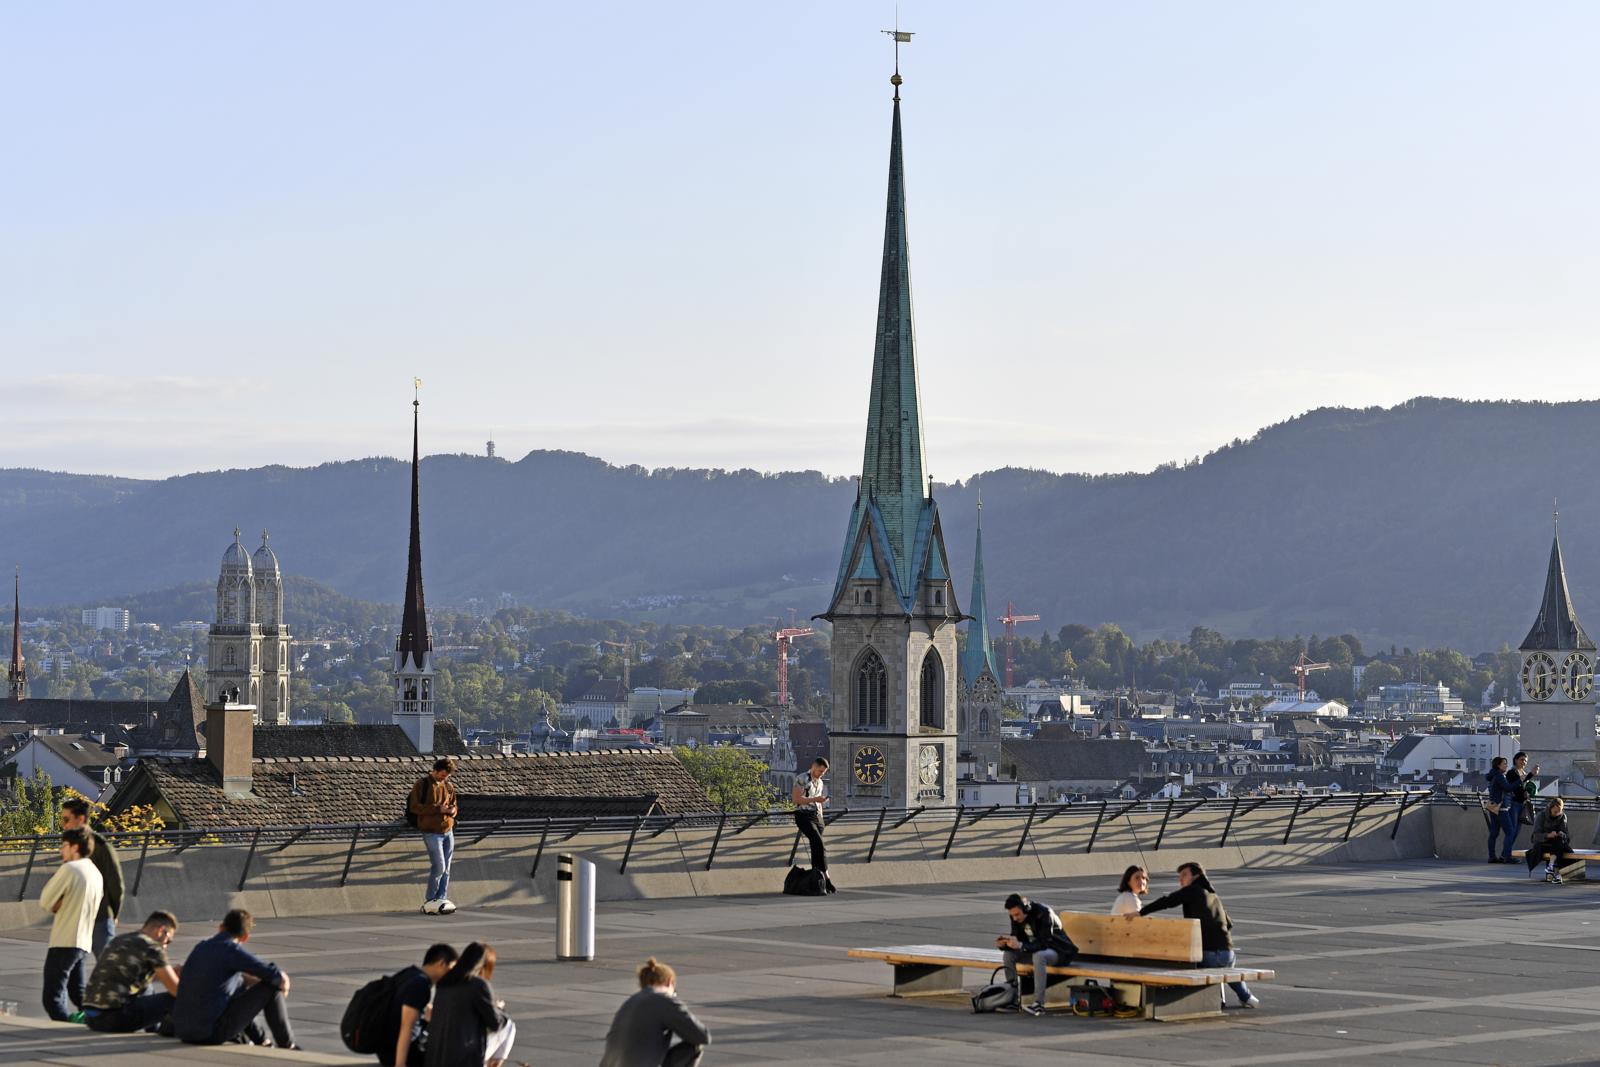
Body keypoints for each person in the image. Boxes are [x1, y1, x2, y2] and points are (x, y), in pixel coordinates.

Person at [173, 908, 299, 1049]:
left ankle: (262, 1040)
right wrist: (284, 983)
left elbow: (230, 978)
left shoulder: (201, 947)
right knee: (272, 989)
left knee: (239, 983)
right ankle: (287, 1045)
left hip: (183, 1030)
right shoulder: (232, 950)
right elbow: (275, 977)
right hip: (210, 1033)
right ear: (244, 937)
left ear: (221, 927)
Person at [1140, 862, 1260, 1009]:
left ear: (1196, 876)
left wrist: (1140, 912)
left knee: (1182, 964)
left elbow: (1168, 901)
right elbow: (1229, 924)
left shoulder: (1193, 890)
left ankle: (1182, 1002)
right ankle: (1247, 997)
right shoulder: (1213, 895)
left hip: (1208, 955)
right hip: (1228, 953)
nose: (1180, 879)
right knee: (1227, 970)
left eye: (1184, 875)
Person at [39, 827, 104, 1022]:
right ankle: (100, 1020)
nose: (61, 850)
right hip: (83, 941)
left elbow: (46, 900)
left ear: (75, 847)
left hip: (64, 940)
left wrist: (60, 904)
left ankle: (66, 1025)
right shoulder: (95, 872)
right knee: (78, 992)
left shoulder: (70, 868)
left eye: (64, 845)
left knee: (52, 997)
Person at [600, 956, 711, 1067]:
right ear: (669, 982)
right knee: (695, 1046)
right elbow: (702, 1036)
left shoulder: (630, 1002)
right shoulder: (664, 1000)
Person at [83, 911, 181, 1034]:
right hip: (115, 1019)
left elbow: (127, 975)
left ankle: (153, 1030)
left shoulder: (119, 940)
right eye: (168, 941)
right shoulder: (153, 947)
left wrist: (167, 974)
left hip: (92, 1019)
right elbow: (176, 990)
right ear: (161, 931)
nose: (165, 946)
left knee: (148, 989)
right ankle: (167, 1032)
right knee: (177, 999)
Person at [424, 942, 515, 1067]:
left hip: (436, 1056)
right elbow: (495, 1023)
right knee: (509, 1026)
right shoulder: (478, 985)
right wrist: (499, 1010)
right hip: (464, 1057)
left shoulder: (444, 983)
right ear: (483, 966)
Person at [61, 797, 124, 956]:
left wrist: (112, 914)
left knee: (107, 969)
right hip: (77, 920)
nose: (63, 824)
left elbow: (116, 885)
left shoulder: (101, 846)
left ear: (81, 819)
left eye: (66, 819)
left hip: (99, 919)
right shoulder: (69, 846)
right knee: (77, 972)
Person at [997, 892, 1077, 1017]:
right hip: (1035, 949)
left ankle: (1039, 1003)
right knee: (1008, 955)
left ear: (1025, 909)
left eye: (1017, 915)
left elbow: (1045, 942)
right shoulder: (1015, 916)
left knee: (1039, 956)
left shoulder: (1044, 913)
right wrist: (1005, 945)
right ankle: (1012, 999)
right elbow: (1017, 937)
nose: (1015, 919)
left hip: (1057, 951)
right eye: (1012, 916)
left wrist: (1022, 946)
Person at [385, 942, 459, 1067]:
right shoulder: (420, 984)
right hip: (400, 1052)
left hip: (388, 1046)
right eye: (451, 969)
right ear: (441, 963)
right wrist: (400, 1064)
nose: (451, 975)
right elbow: (406, 1026)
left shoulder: (409, 973)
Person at [410, 757, 459, 915]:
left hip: (447, 830)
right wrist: (439, 809)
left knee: (447, 869)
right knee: (439, 866)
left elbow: (454, 805)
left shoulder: (449, 786)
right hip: (431, 832)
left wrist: (452, 811)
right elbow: (415, 807)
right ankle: (430, 900)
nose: (443, 778)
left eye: (446, 776)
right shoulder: (422, 785)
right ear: (435, 771)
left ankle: (441, 898)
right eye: (442, 775)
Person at [791, 757, 830, 879]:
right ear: (813, 766)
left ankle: (816, 877)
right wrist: (815, 799)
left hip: (816, 816)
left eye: (823, 772)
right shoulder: (802, 778)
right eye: (819, 771)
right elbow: (796, 799)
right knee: (819, 844)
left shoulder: (820, 782)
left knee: (816, 846)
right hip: (803, 816)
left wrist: (821, 817)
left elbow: (818, 802)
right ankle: (826, 876)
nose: (821, 774)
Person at [1526, 798, 1572, 883]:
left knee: (1559, 841)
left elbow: (1567, 837)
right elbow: (1535, 836)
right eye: (1555, 812)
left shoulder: (1563, 816)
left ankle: (1551, 866)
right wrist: (1548, 835)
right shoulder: (1541, 816)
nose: (1557, 814)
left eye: (1559, 811)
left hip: (1557, 844)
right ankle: (1557, 875)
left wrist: (1562, 834)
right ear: (1550, 808)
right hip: (1544, 844)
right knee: (1559, 846)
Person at [1486, 756, 1515, 863]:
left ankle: (1492, 856)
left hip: (1493, 807)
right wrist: (1519, 781)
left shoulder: (1492, 775)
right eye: (1504, 764)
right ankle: (1507, 857)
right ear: (1498, 765)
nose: (1506, 765)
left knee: (1494, 833)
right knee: (1510, 832)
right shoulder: (1500, 776)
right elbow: (1508, 788)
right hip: (1501, 808)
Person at [1507, 751, 1540, 836]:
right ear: (1516, 760)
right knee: (1512, 830)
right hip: (1514, 803)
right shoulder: (1512, 772)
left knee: (1517, 831)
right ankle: (1507, 849)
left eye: (1525, 761)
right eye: (1522, 760)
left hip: (1522, 804)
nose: (1524, 762)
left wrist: (1528, 791)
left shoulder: (1523, 772)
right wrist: (1531, 774)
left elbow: (1524, 785)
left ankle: (1508, 849)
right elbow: (1517, 785)